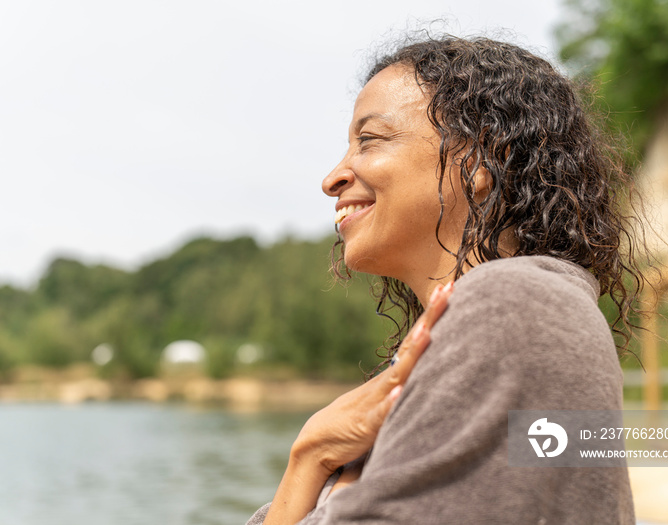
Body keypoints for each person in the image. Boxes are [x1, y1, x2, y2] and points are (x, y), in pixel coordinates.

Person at [247, 34, 647, 525]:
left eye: (369, 141)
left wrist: (309, 455)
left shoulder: (519, 302)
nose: (333, 177)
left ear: (479, 159)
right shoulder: (519, 311)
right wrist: (308, 457)